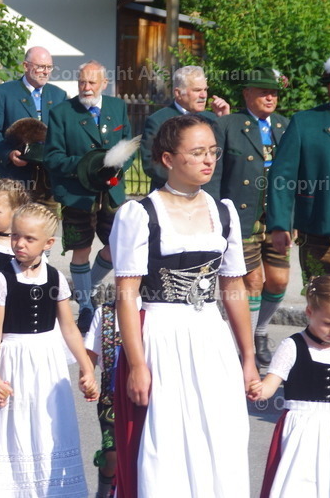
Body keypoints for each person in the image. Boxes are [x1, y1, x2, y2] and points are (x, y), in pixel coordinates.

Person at [112, 114, 257, 497]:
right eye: (197, 152)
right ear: (168, 159)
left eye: (212, 151)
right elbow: (126, 295)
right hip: (161, 336)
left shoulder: (223, 212)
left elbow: (234, 287)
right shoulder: (140, 214)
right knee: (168, 438)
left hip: (211, 335)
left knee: (222, 432)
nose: (208, 160)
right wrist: (137, 365)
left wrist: (248, 357)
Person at [0, 203, 97, 497]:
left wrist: (87, 367)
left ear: (48, 243)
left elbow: (69, 328)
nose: (19, 243)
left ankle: (52, 489)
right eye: (15, 236)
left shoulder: (55, 278)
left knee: (51, 424)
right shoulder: (2, 278)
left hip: (48, 360)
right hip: (14, 359)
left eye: (29, 238)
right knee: (19, 424)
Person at [44, 60, 133, 333]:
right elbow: (52, 157)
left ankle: (89, 287)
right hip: (77, 194)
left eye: (92, 82)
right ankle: (85, 306)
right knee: (81, 248)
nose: (86, 87)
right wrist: (86, 166)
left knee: (118, 246)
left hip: (111, 192)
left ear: (104, 83)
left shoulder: (117, 107)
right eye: (82, 81)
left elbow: (129, 145)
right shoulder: (61, 112)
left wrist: (117, 167)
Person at [251, 274, 330, 498]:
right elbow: (270, 385)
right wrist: (258, 390)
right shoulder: (292, 346)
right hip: (301, 429)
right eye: (328, 323)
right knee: (299, 485)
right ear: (309, 312)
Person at [217, 68, 291, 369]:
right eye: (263, 92)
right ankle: (246, 345)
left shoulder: (284, 125)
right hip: (242, 216)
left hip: (276, 216)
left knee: (279, 279)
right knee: (253, 281)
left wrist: (293, 217)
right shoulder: (228, 124)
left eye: (274, 92)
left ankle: (261, 330)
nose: (270, 97)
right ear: (247, 93)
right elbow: (216, 173)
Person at [268, 52, 330, 279]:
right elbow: (282, 177)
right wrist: (280, 224)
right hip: (321, 233)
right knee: (326, 297)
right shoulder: (305, 122)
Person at [0, 46, 66, 207]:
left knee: (45, 222)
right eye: (40, 67)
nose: (45, 72)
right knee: (13, 221)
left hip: (47, 181)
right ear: (26, 66)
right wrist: (8, 154)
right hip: (15, 179)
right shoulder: (3, 93)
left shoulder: (58, 95)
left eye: (49, 67)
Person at [139, 65, 229, 199]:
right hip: (172, 197)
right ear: (178, 93)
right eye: (197, 90)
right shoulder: (158, 120)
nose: (204, 95)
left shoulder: (213, 119)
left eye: (205, 90)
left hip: (208, 198)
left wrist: (225, 121)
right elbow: (151, 164)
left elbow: (229, 160)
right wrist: (189, 178)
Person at [83, 287, 140, 498]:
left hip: (144, 398)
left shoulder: (149, 311)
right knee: (112, 455)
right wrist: (87, 377)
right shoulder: (105, 313)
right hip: (111, 399)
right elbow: (90, 355)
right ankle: (103, 492)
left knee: (140, 452)